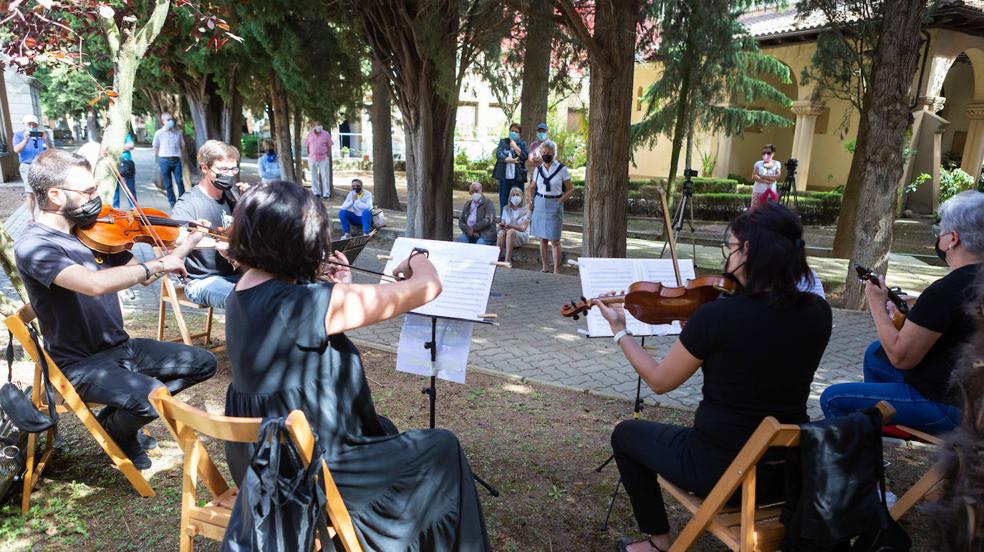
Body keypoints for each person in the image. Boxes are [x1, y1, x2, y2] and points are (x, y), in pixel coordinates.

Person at [222, 180, 490, 551]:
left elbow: (300, 328)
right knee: (441, 447)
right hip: (313, 474)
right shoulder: (305, 304)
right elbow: (426, 288)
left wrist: (337, 287)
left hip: (266, 464)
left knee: (387, 428)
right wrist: (418, 257)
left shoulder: (242, 293)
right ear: (296, 240)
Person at [595, 202, 832, 552]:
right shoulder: (818, 312)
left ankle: (658, 543)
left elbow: (660, 381)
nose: (727, 258)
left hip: (718, 470)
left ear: (748, 251)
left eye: (731, 248)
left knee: (626, 433)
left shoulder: (719, 316)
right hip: (787, 472)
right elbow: (763, 354)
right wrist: (700, 336)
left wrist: (620, 332)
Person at [13, 150, 216, 470]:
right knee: (154, 396)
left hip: (122, 347)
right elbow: (93, 284)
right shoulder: (34, 246)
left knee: (203, 363)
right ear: (54, 195)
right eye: (88, 192)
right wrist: (158, 263)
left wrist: (186, 245)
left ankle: (117, 421)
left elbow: (146, 276)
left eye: (96, 190)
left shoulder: (94, 232)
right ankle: (120, 430)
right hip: (80, 364)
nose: (97, 199)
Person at [820, 190, 984, 435]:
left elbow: (901, 356)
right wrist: (921, 307)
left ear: (952, 239)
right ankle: (877, 436)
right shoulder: (971, 282)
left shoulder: (946, 290)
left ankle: (861, 462)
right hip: (972, 396)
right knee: (876, 355)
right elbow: (961, 317)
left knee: (834, 398)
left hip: (949, 406)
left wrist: (876, 305)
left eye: (940, 232)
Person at [171, 140, 245, 309]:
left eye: (233, 169)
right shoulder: (188, 203)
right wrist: (216, 243)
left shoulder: (232, 198)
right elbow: (178, 239)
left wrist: (248, 203)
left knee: (282, 289)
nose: (229, 174)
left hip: (238, 274)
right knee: (244, 299)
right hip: (202, 281)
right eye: (223, 170)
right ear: (205, 168)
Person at [527, 140, 573, 273]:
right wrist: (531, 201)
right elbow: (531, 187)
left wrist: (560, 200)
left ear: (554, 154)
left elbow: (570, 189)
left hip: (554, 204)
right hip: (540, 203)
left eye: (549, 153)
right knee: (542, 239)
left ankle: (556, 269)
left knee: (555, 240)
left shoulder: (561, 169)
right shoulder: (538, 169)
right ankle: (544, 266)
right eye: (544, 153)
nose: (546, 155)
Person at [13, 114, 50, 223]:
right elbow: (16, 150)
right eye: (29, 124)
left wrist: (46, 140)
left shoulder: (41, 136)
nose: (32, 126)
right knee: (30, 192)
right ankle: (31, 217)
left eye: (34, 124)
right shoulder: (18, 135)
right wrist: (25, 140)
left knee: (41, 191)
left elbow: (48, 152)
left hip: (40, 165)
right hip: (27, 165)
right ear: (24, 124)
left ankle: (43, 215)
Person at [152, 112, 186, 207]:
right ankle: (172, 203)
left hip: (176, 160)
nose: (171, 121)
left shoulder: (178, 133)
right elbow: (155, 147)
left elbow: (182, 145)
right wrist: (161, 155)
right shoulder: (159, 133)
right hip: (164, 160)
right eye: (168, 120)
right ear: (163, 121)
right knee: (168, 184)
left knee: (179, 181)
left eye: (171, 119)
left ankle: (182, 202)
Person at [492, 123, 528, 213]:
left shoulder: (522, 144)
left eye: (516, 131)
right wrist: (511, 160)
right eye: (512, 131)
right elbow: (499, 155)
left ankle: (517, 223)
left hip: (517, 177)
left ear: (519, 134)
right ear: (509, 131)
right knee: (504, 201)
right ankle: (504, 223)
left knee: (517, 201)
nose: (514, 133)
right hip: (504, 177)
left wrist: (515, 146)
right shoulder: (503, 142)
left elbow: (524, 156)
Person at [497, 186, 530, 264]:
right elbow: (502, 223)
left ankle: (507, 260)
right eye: (513, 195)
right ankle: (497, 257)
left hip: (521, 235)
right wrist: (501, 226)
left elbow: (523, 228)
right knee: (501, 232)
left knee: (511, 231)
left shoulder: (526, 210)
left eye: (517, 195)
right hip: (507, 235)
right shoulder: (506, 208)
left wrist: (511, 226)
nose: (515, 197)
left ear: (521, 196)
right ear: (510, 197)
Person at [303, 121, 333, 198]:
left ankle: (326, 194)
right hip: (312, 158)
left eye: (320, 124)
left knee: (325, 176)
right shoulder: (310, 134)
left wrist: (327, 156)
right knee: (313, 176)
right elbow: (307, 145)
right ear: (314, 126)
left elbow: (329, 145)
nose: (319, 126)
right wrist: (309, 155)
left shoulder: (326, 134)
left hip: (323, 158)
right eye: (317, 125)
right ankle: (316, 193)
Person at [750, 144, 781, 209]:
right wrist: (764, 180)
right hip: (758, 191)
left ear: (773, 154)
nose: (766, 155)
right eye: (763, 153)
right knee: (755, 211)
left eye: (768, 153)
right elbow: (754, 176)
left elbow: (778, 176)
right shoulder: (758, 163)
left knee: (769, 212)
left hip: (771, 193)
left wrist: (763, 176)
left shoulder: (777, 163)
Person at [112, 131, 138, 209]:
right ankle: (115, 207)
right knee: (114, 188)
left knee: (130, 187)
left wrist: (117, 147)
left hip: (126, 162)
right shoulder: (109, 136)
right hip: (113, 162)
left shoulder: (125, 135)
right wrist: (124, 147)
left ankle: (133, 207)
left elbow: (131, 145)